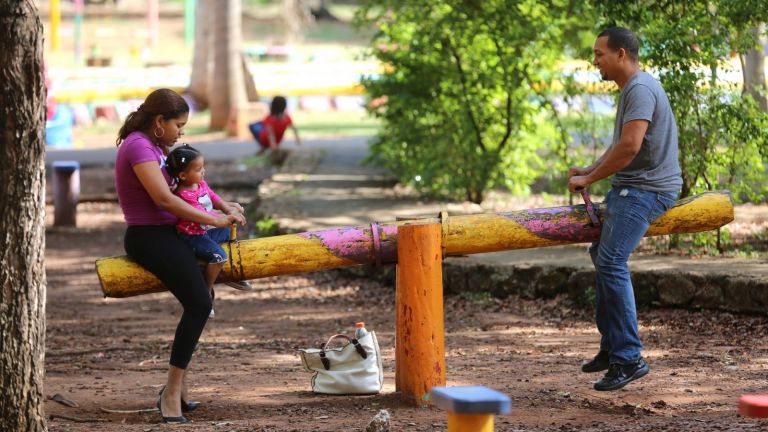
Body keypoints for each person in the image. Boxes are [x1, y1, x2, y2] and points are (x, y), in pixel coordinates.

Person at [114, 88, 244, 423]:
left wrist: (224, 208)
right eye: (178, 125)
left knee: (208, 280)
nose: (181, 132)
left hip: (176, 232)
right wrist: (214, 218)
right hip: (150, 237)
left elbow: (193, 188)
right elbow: (164, 200)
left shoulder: (156, 146)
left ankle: (219, 274)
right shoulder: (138, 146)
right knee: (200, 304)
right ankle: (171, 392)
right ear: (160, 121)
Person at [567, 27, 682, 391]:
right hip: (633, 187)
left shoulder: (640, 89)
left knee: (612, 260)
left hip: (648, 191)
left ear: (620, 54)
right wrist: (590, 172)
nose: (595, 61)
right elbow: (621, 146)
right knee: (601, 253)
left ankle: (629, 357)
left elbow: (631, 148)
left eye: (599, 54)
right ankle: (613, 347)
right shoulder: (632, 90)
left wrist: (591, 181)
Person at [165, 144, 251, 319]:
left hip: (203, 232)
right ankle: (206, 291)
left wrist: (229, 210)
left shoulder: (200, 184)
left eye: (203, 167)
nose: (203, 171)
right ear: (182, 175)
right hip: (191, 237)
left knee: (228, 233)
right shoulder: (183, 195)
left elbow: (214, 198)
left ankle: (227, 275)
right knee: (219, 257)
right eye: (198, 169)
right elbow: (203, 214)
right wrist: (226, 217)